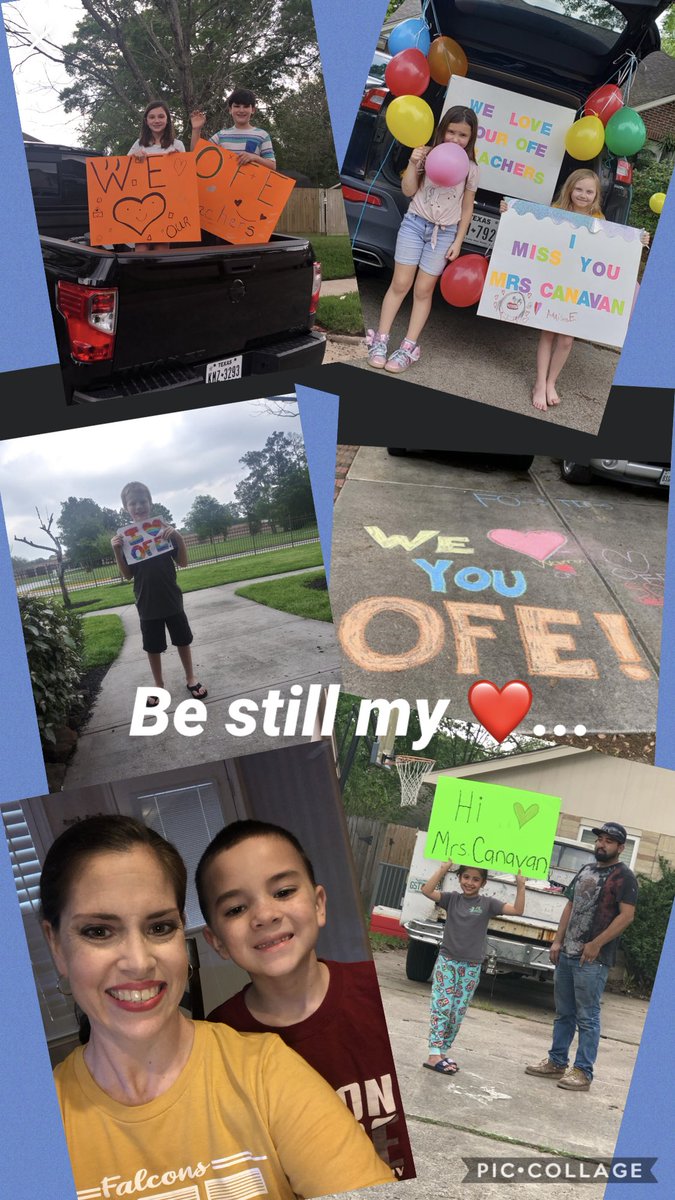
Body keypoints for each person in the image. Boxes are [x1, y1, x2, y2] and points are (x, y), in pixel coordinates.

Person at [41, 815, 394, 1200]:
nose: (139, 962)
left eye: (159, 927)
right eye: (98, 931)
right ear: (56, 945)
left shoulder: (266, 1069)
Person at [196, 819, 416, 1180]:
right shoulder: (215, 1044)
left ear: (318, 905)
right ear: (217, 941)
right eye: (236, 909)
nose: (265, 915)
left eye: (283, 892)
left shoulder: (380, 995)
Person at [500, 170, 650, 412]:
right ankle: (539, 383)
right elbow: (530, 230)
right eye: (579, 189)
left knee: (567, 340)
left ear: (596, 196)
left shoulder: (599, 220)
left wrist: (637, 242)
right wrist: (510, 214)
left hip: (577, 289)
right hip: (551, 285)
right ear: (570, 189)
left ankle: (551, 382)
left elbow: (610, 251)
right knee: (548, 333)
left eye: (589, 191)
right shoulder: (554, 212)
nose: (583, 195)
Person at [366, 105, 479, 374]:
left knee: (423, 290)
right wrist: (413, 162)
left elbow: (467, 208)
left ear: (471, 138)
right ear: (442, 131)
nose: (455, 139)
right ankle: (380, 340)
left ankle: (408, 347)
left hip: (445, 233)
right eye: (451, 132)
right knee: (401, 283)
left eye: (463, 135)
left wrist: (458, 241)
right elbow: (408, 190)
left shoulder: (471, 169)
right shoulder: (427, 155)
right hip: (414, 224)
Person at [525, 821, 637, 1091]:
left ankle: (583, 1072)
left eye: (609, 841)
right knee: (564, 1013)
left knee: (588, 1016)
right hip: (567, 953)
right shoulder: (586, 869)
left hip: (592, 959)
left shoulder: (625, 876)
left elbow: (627, 916)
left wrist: (596, 943)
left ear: (620, 847)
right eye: (600, 839)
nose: (602, 844)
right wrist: (557, 941)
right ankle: (556, 1062)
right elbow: (570, 906)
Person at [420, 860, 525, 1074]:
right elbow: (427, 890)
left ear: (483, 883)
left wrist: (521, 885)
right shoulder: (451, 899)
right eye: (466, 877)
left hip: (471, 966)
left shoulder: (488, 904)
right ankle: (433, 1054)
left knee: (457, 1011)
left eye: (475, 879)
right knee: (442, 1006)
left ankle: (442, 1051)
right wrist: (443, 869)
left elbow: (517, 910)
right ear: (459, 878)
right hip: (447, 962)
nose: (469, 882)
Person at [110, 481, 207, 705]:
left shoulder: (165, 531)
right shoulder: (125, 540)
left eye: (142, 501)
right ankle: (159, 685)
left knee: (183, 640)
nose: (138, 506)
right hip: (146, 602)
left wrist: (179, 538)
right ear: (126, 508)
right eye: (132, 503)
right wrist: (116, 550)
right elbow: (127, 575)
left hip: (172, 598)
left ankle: (191, 677)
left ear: (150, 503)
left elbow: (182, 563)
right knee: (152, 647)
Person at [189, 88, 276, 168]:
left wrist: (255, 157)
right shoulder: (221, 136)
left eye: (246, 106)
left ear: (253, 110)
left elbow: (272, 165)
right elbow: (197, 155)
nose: (241, 110)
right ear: (230, 109)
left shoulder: (262, 135)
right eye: (237, 106)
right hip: (222, 184)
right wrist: (196, 129)